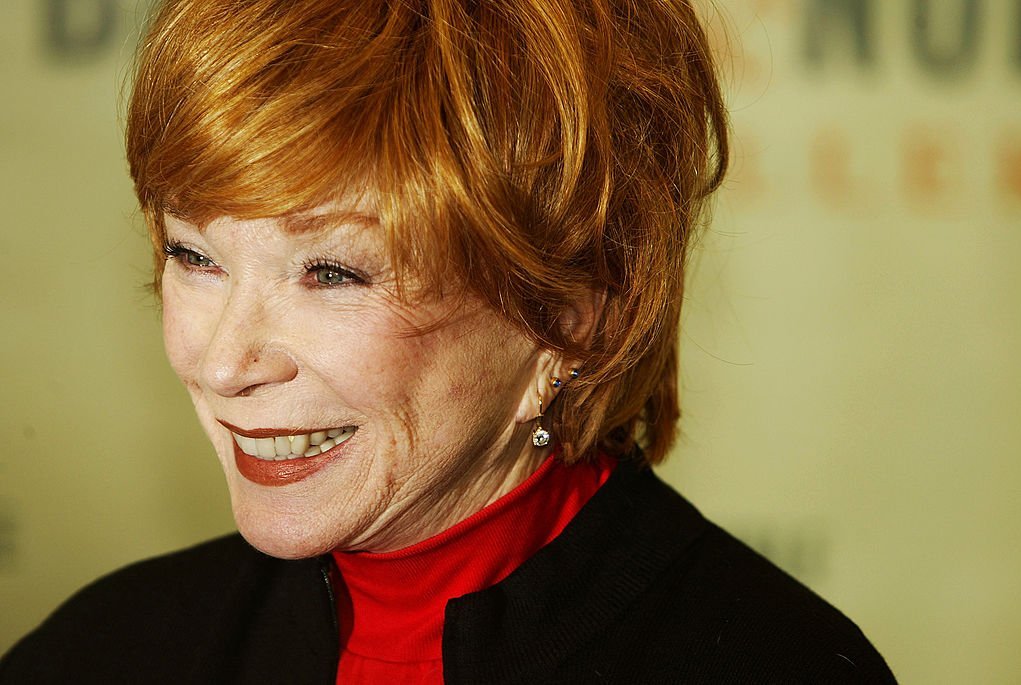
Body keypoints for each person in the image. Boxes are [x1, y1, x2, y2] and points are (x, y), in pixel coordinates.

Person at [1, 0, 897, 682]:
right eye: (194, 255)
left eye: (332, 272)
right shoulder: (102, 652)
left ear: (575, 312)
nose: (225, 361)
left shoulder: (777, 663)